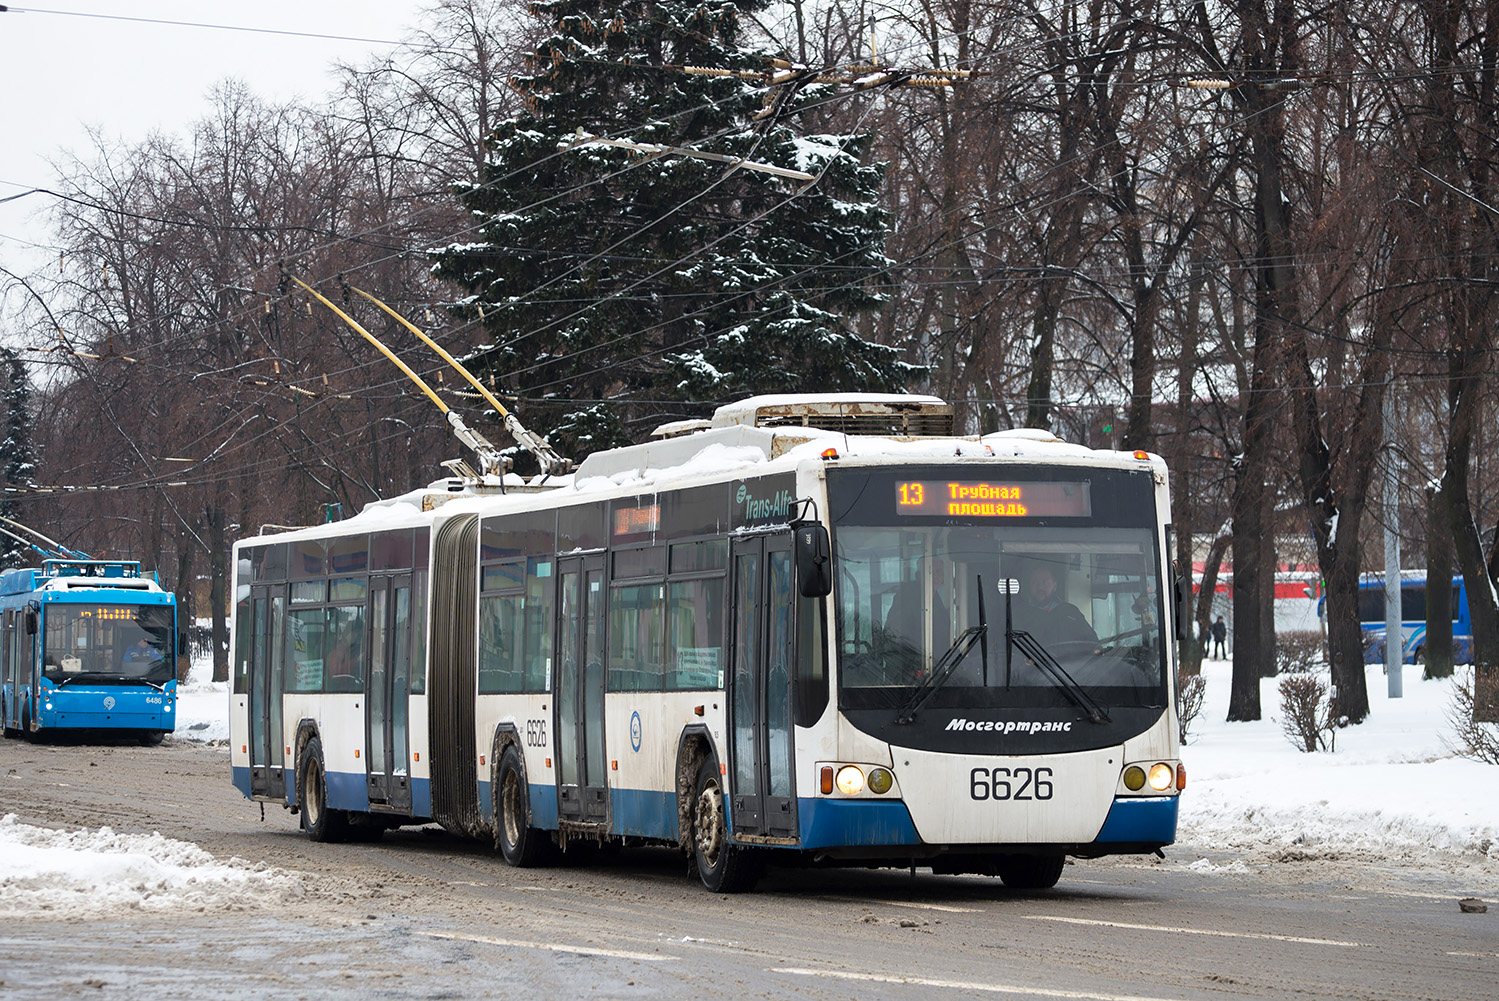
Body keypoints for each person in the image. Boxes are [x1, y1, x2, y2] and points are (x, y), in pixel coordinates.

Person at [1015, 563, 1097, 649]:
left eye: (1044, 581)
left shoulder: (1071, 612)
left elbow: (1092, 642)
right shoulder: (1021, 616)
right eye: (1035, 582)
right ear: (1029, 586)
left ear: (1054, 585)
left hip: (1069, 658)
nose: (1040, 586)